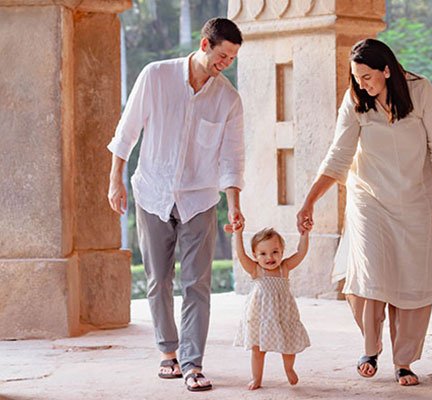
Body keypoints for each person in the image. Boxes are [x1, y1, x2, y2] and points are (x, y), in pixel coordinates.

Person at [296, 38, 432, 387]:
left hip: (418, 200)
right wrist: (309, 200)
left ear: (387, 70)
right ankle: (370, 347)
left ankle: (404, 361)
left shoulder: (421, 92)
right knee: (369, 275)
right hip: (369, 200)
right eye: (356, 78)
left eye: (367, 77)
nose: (361, 85)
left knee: (412, 279)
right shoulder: (355, 101)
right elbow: (338, 154)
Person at [106, 18, 245, 392]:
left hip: (199, 199)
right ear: (204, 44)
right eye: (222, 55)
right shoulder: (156, 76)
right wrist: (114, 179)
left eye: (232, 58)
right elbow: (127, 130)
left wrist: (234, 205)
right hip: (152, 192)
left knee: (197, 284)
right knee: (158, 280)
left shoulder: (228, 98)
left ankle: (193, 362)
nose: (225, 63)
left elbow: (232, 157)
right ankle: (168, 352)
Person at [228, 225, 311, 390]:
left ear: (281, 252)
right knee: (258, 350)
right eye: (263, 254)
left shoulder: (284, 268)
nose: (270, 257)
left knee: (289, 345)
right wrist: (238, 233)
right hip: (261, 317)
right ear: (255, 256)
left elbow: (301, 253)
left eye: (275, 252)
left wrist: (304, 234)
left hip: (283, 315)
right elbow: (241, 255)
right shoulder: (256, 269)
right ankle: (256, 378)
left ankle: (289, 368)